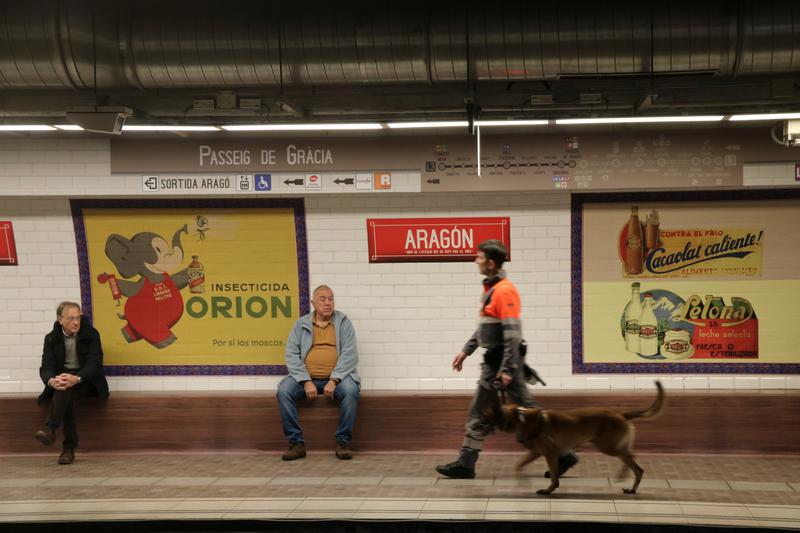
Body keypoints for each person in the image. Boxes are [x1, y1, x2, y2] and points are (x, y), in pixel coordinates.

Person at [435, 240, 578, 479]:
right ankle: (564, 455)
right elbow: (486, 328)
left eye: (478, 258)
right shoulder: (491, 289)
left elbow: (512, 335)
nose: (475, 261)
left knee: (499, 413)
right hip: (497, 364)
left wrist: (507, 370)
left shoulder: (504, 290)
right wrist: (466, 351)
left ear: (491, 263)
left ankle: (466, 463)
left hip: (500, 366)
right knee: (521, 413)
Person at [276, 285, 360, 461]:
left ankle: (343, 442)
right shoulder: (301, 324)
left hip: (338, 378)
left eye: (331, 299)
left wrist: (335, 379)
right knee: (284, 391)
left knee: (351, 391)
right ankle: (296, 443)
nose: (328, 303)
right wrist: (305, 381)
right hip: (306, 377)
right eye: (323, 299)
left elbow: (350, 354)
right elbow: (291, 355)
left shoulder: (343, 322)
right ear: (313, 302)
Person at [35, 301, 109, 464]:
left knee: (65, 388)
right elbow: (46, 366)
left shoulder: (91, 335)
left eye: (78, 318)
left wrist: (77, 378)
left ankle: (51, 429)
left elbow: (94, 363)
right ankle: (68, 448)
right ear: (60, 319)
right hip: (64, 380)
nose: (76, 322)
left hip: (86, 380)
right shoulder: (51, 338)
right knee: (64, 389)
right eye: (70, 318)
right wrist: (51, 381)